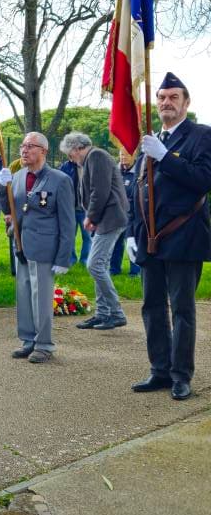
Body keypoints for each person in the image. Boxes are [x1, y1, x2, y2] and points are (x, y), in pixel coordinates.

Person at [128, 73, 211, 401]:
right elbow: (137, 189)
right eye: (161, 97)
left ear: (186, 103)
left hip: (183, 236)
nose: (165, 103)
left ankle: (181, 374)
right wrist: (133, 233)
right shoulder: (150, 140)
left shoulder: (201, 136)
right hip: (150, 240)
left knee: (181, 309)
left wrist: (165, 157)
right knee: (151, 307)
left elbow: (203, 179)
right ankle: (159, 369)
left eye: (173, 97)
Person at [0, 133, 75, 363]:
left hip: (44, 247)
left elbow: (68, 221)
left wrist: (63, 257)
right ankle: (28, 339)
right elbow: (8, 208)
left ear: (43, 151)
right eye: (22, 146)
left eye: (30, 146)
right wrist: (3, 188)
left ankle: (44, 344)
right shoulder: (19, 176)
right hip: (21, 245)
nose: (24, 150)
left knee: (41, 296)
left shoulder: (59, 179)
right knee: (23, 294)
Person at [59, 133, 128, 331]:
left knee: (94, 265)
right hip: (108, 217)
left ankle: (116, 313)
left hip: (110, 218)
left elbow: (100, 191)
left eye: (70, 154)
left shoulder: (96, 156)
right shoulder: (92, 159)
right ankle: (102, 314)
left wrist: (91, 217)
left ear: (77, 148)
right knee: (101, 265)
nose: (71, 158)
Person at [110, 151, 141, 276]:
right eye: (121, 155)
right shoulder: (114, 172)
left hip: (132, 216)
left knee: (132, 242)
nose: (123, 158)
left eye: (126, 155)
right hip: (116, 215)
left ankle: (135, 271)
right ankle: (114, 269)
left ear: (133, 156)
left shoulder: (138, 171)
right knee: (115, 244)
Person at [58, 148, 91, 267]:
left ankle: (85, 260)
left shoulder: (88, 166)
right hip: (70, 209)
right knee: (70, 235)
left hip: (86, 209)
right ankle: (71, 259)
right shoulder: (64, 167)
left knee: (87, 236)